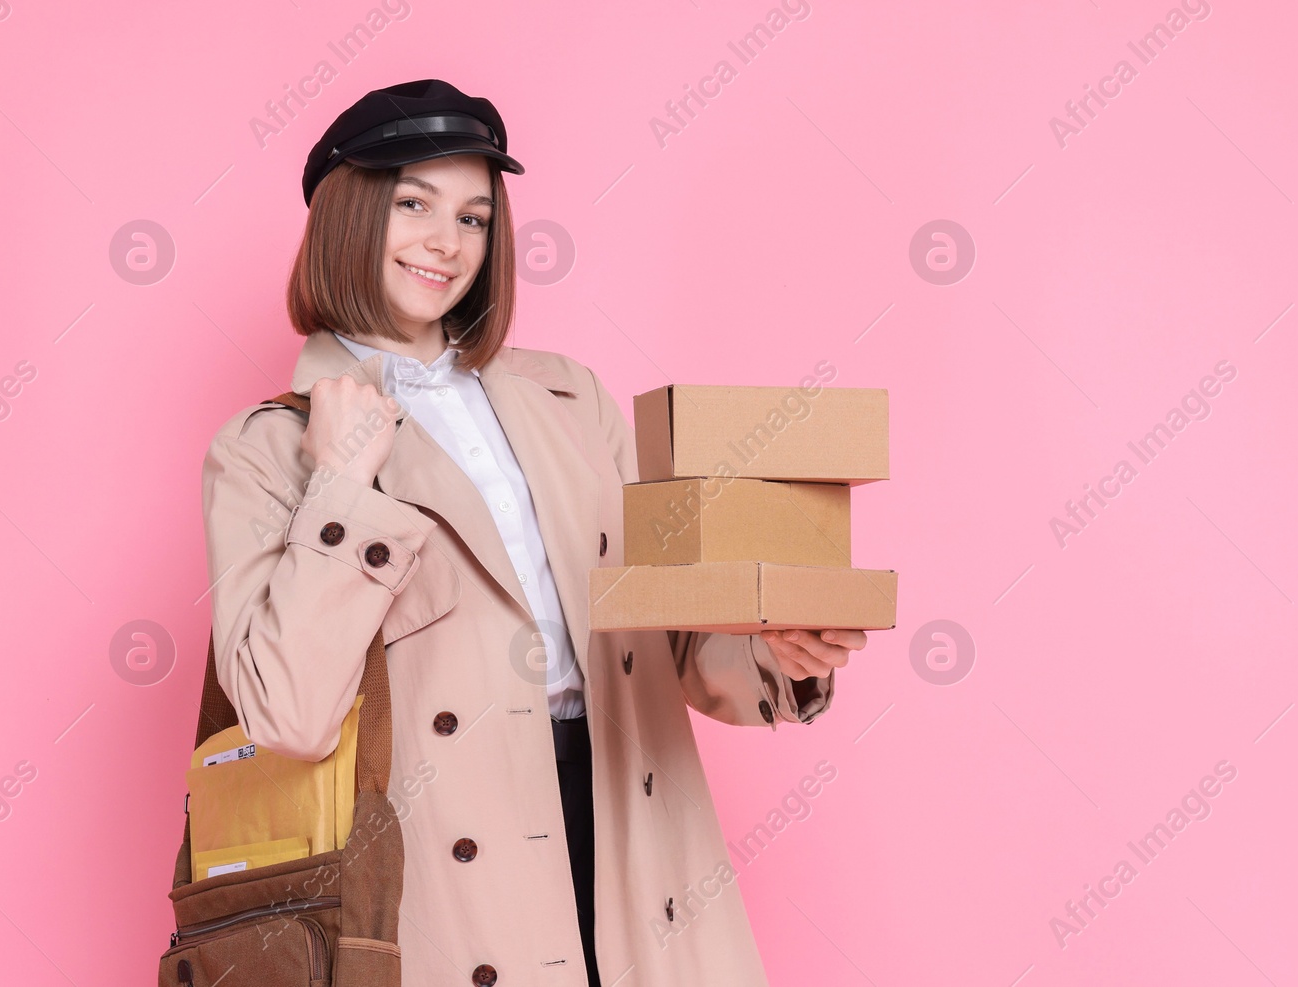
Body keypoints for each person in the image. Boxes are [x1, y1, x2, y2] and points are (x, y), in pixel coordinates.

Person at [200, 78, 868, 986]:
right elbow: (286, 713)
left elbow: (663, 627)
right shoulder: (269, 447)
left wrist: (779, 656)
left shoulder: (570, 398)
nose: (447, 241)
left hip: (634, 820)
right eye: (413, 204)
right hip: (455, 861)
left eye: (475, 216)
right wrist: (341, 486)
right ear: (348, 216)